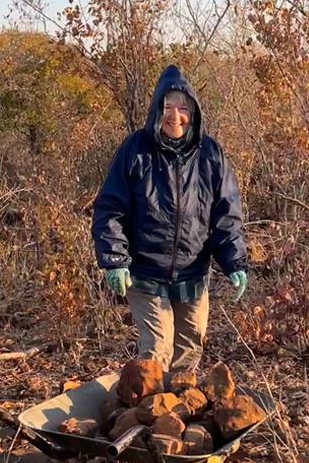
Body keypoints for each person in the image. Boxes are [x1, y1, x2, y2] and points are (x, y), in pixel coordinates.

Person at [92, 64, 248, 374]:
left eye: (182, 107)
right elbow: (110, 208)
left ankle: (176, 413)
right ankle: (149, 416)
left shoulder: (210, 153)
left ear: (193, 111)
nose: (174, 116)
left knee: (190, 346)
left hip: (193, 271)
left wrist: (235, 262)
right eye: (167, 107)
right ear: (155, 110)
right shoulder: (135, 150)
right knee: (157, 349)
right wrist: (114, 260)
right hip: (145, 270)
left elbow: (226, 213)